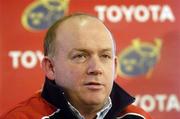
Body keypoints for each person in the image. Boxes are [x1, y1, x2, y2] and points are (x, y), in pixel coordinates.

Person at [0, 13, 152, 119]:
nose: (96, 68)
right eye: (80, 56)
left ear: (115, 66)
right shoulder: (21, 117)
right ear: (50, 67)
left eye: (105, 56)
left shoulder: (138, 117)